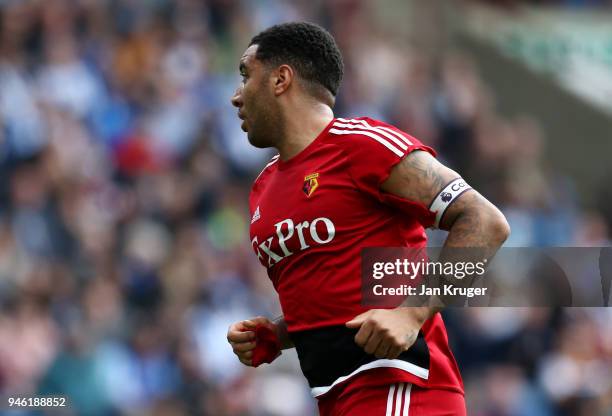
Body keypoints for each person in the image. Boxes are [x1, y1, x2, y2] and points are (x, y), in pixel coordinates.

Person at [227, 22, 509, 415]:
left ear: (281, 79)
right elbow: (340, 298)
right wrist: (278, 334)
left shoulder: (362, 146)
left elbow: (485, 220)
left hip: (401, 386)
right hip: (336, 396)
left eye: (245, 75)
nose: (236, 96)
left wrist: (414, 311)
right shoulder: (263, 189)